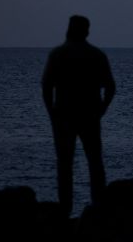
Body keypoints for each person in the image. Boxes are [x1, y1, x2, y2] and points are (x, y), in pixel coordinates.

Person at [42, 15, 116, 216]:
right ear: (87, 31)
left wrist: (51, 113)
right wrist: (101, 110)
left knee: (64, 165)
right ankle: (98, 208)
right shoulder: (96, 55)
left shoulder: (58, 54)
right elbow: (110, 87)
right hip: (89, 115)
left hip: (63, 116)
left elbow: (46, 86)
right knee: (95, 162)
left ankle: (65, 210)